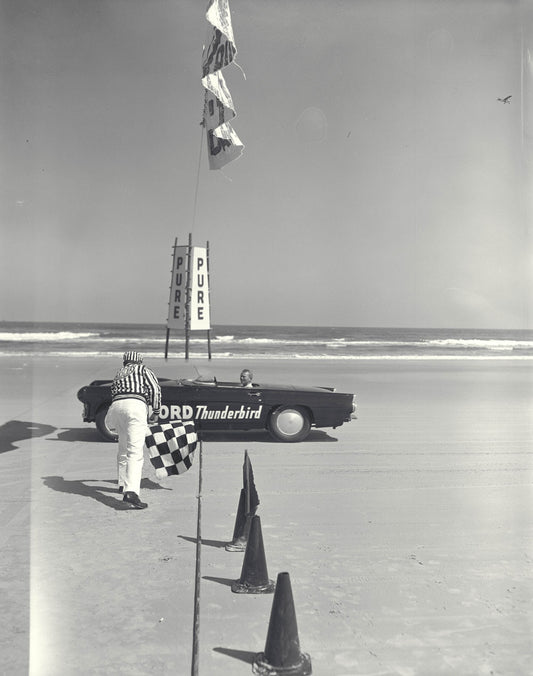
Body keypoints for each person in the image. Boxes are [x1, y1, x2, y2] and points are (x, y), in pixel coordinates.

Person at [105, 351, 161, 509]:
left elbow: (112, 392)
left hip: (116, 408)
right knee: (135, 452)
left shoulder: (119, 374)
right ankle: (131, 492)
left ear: (125, 362)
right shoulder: (143, 370)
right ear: (140, 361)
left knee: (123, 447)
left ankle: (122, 484)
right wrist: (155, 411)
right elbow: (155, 390)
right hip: (135, 406)